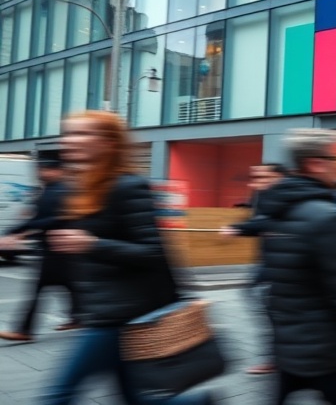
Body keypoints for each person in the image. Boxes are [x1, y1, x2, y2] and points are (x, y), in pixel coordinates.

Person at [42, 111, 213, 405]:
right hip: (104, 310)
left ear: (108, 143)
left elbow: (153, 252)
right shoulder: (81, 187)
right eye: (67, 133)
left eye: (81, 133)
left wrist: (91, 244)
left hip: (121, 316)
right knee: (135, 400)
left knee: (58, 395)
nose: (68, 140)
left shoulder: (127, 186)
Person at [259, 128, 336, 404]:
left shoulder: (276, 209)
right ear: (316, 163)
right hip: (329, 347)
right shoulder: (326, 216)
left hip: (288, 342)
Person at [0, 153, 79, 342]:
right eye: (40, 169)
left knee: (40, 288)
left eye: (45, 169)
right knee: (67, 284)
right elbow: (37, 217)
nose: (40, 173)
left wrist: (19, 232)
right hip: (53, 247)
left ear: (58, 171)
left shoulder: (61, 191)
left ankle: (24, 330)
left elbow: (55, 219)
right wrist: (16, 232)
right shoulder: (49, 190)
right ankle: (79, 316)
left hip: (58, 246)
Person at [219, 163, 287, 375]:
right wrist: (242, 228)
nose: (255, 182)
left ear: (279, 177)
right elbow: (259, 223)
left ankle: (276, 356)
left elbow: (268, 221)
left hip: (284, 261)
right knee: (260, 300)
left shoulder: (285, 196)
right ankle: (276, 355)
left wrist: (237, 228)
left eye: (263, 177)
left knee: (265, 302)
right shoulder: (261, 195)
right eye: (255, 177)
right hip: (268, 258)